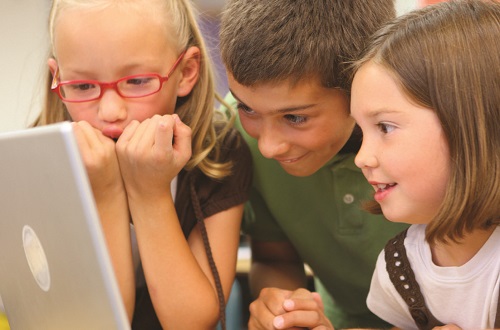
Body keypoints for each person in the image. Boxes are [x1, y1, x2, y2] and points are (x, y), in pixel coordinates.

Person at [33, 0, 252, 328]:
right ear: (58, 77)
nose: (109, 111)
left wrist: (150, 193)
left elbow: (191, 322)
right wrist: (106, 194)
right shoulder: (39, 157)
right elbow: (96, 323)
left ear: (186, 72)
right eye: (81, 86)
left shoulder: (219, 151)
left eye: (136, 81)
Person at [219, 1, 409, 329]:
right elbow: (274, 256)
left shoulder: (435, 137)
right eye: (246, 108)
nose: (267, 146)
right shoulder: (241, 141)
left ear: (361, 85)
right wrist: (285, 306)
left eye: (295, 117)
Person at [350, 0, 500, 328]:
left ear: (469, 125)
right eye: (361, 132)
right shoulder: (401, 267)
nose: (362, 157)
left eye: (385, 127)